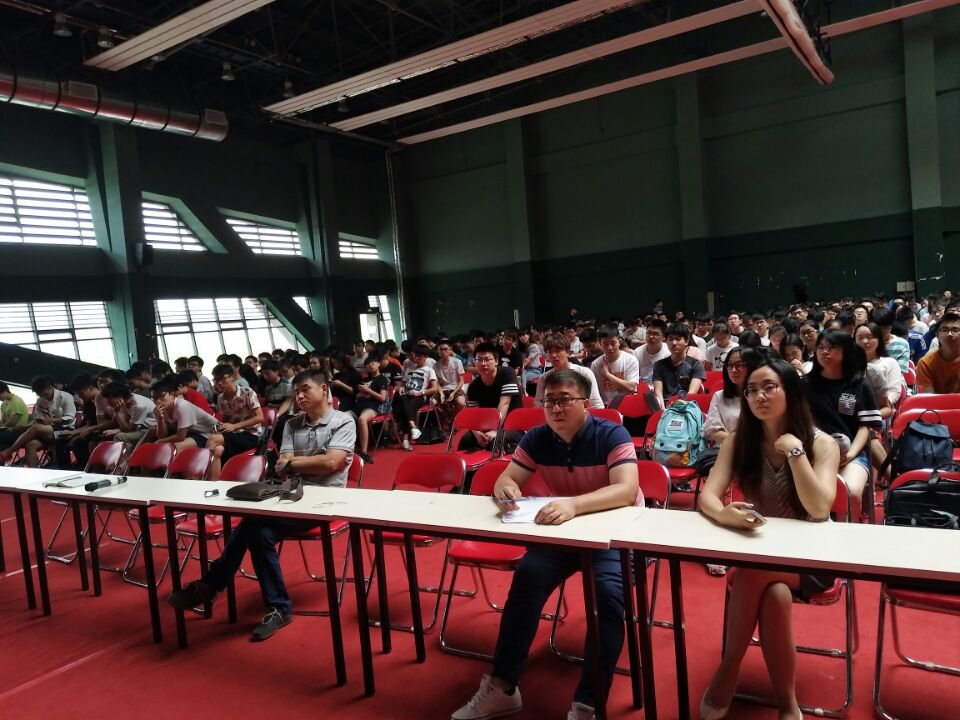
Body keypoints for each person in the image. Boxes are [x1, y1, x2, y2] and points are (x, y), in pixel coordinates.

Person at [451, 370, 639, 720]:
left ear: (586, 404)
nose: (555, 408)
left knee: (608, 594)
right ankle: (503, 687)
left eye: (564, 400)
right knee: (528, 578)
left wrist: (573, 505)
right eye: (549, 401)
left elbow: (626, 490)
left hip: (612, 534)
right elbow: (507, 478)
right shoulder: (538, 437)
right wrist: (505, 491)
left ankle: (589, 703)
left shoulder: (612, 433)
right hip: (564, 532)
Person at [698, 356, 840, 720]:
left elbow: (819, 508)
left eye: (769, 387)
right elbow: (707, 496)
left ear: (791, 391)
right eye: (751, 390)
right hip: (761, 549)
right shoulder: (738, 441)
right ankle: (788, 704)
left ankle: (729, 669)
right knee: (775, 594)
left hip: (812, 558)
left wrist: (795, 452)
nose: (758, 396)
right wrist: (723, 514)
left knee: (753, 570)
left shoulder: (822, 444)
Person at [168, 369, 355, 641]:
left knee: (253, 520)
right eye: (296, 392)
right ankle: (279, 608)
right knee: (260, 534)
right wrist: (300, 463)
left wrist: (294, 463)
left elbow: (332, 462)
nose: (299, 396)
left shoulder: (343, 421)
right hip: (290, 497)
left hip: (326, 501)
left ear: (324, 389)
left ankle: (212, 584)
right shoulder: (291, 424)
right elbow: (281, 465)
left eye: (305, 390)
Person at [805, 330, 882, 518]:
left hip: (852, 453)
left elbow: (865, 427)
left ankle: (850, 531)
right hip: (814, 453)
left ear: (846, 350)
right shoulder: (805, 384)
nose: (825, 352)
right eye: (821, 347)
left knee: (850, 492)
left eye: (831, 347)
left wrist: (851, 454)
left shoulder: (860, 384)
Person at [0, 375, 76, 467]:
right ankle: (33, 472)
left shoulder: (66, 397)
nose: (43, 397)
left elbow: (70, 418)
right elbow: (38, 418)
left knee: (36, 428)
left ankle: (8, 451)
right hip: (46, 432)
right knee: (30, 444)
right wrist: (29, 425)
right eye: (40, 395)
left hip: (65, 430)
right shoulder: (40, 400)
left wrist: (51, 420)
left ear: (50, 386)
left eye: (44, 394)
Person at [205, 364, 263, 480]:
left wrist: (235, 426)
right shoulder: (221, 398)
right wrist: (222, 427)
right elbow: (226, 419)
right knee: (218, 449)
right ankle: (215, 483)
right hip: (234, 435)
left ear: (232, 377)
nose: (219, 383)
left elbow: (260, 417)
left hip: (250, 435)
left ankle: (203, 479)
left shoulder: (247, 392)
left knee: (213, 439)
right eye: (216, 380)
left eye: (223, 379)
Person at [464, 342, 523, 450]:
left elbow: (505, 403)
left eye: (487, 359)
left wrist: (496, 430)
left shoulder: (507, 373)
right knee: (466, 441)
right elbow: (472, 415)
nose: (483, 363)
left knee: (494, 442)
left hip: (513, 425)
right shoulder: (473, 386)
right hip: (487, 427)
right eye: (479, 360)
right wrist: (478, 434)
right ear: (474, 362)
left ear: (496, 361)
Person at [534, 332, 604, 409]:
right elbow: (539, 407)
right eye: (550, 352)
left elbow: (597, 406)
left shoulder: (585, 373)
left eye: (557, 351)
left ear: (568, 352)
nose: (554, 355)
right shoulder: (544, 378)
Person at [151, 376, 218, 452]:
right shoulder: (159, 409)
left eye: (162, 396)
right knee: (152, 434)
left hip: (207, 433)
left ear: (172, 394)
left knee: (171, 449)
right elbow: (162, 436)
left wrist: (160, 442)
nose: (158, 401)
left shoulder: (181, 406)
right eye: (154, 398)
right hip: (190, 433)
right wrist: (160, 418)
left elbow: (180, 437)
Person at [393, 344, 440, 451]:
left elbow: (435, 389)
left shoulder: (429, 370)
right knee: (403, 398)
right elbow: (403, 385)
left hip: (420, 396)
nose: (417, 358)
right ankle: (413, 427)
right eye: (416, 355)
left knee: (405, 405)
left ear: (426, 357)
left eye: (420, 356)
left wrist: (420, 392)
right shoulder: (409, 369)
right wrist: (401, 388)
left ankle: (406, 438)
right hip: (407, 395)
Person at [652, 323, 706, 408]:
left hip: (686, 407)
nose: (674, 343)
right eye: (670, 339)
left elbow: (691, 393)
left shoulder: (696, 364)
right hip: (665, 407)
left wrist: (678, 410)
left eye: (678, 339)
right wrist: (663, 411)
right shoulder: (659, 365)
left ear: (686, 341)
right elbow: (658, 392)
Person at [702, 347, 748, 447]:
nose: (734, 370)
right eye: (730, 365)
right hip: (724, 449)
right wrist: (742, 442)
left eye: (739, 365)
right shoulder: (719, 396)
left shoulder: (758, 396)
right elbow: (713, 432)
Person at [590, 325, 639, 406]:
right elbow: (594, 391)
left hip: (627, 403)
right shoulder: (596, 364)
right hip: (605, 405)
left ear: (619, 342)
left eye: (613, 343)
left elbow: (631, 387)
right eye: (605, 344)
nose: (610, 348)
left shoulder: (631, 360)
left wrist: (607, 375)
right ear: (600, 344)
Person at [354, 353, 390, 463]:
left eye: (372, 363)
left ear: (378, 364)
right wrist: (361, 393)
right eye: (367, 365)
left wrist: (368, 391)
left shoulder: (382, 379)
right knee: (344, 418)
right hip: (359, 405)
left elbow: (382, 398)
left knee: (362, 419)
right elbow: (357, 395)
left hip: (373, 407)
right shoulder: (365, 380)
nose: (370, 365)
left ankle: (364, 453)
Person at [100, 382, 156, 448]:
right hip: (138, 428)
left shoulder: (139, 405)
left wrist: (117, 412)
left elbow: (129, 430)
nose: (108, 402)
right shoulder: (125, 402)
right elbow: (124, 423)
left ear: (120, 396)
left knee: (119, 437)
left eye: (109, 399)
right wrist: (116, 430)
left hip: (149, 430)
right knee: (104, 438)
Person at [916, 311, 960, 393]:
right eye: (945, 330)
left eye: (955, 330)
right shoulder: (926, 363)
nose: (950, 334)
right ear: (937, 335)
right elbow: (929, 398)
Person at [634, 318, 669, 384]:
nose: (650, 336)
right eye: (649, 333)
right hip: (643, 387)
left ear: (664, 337)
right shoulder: (637, 352)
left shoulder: (669, 352)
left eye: (655, 334)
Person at [0, 381, 30, 450]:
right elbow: (3, 420)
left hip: (18, 432)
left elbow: (13, 422)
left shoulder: (17, 401)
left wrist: (3, 425)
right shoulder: (3, 404)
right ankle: (5, 452)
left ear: (4, 391)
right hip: (7, 431)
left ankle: (6, 452)